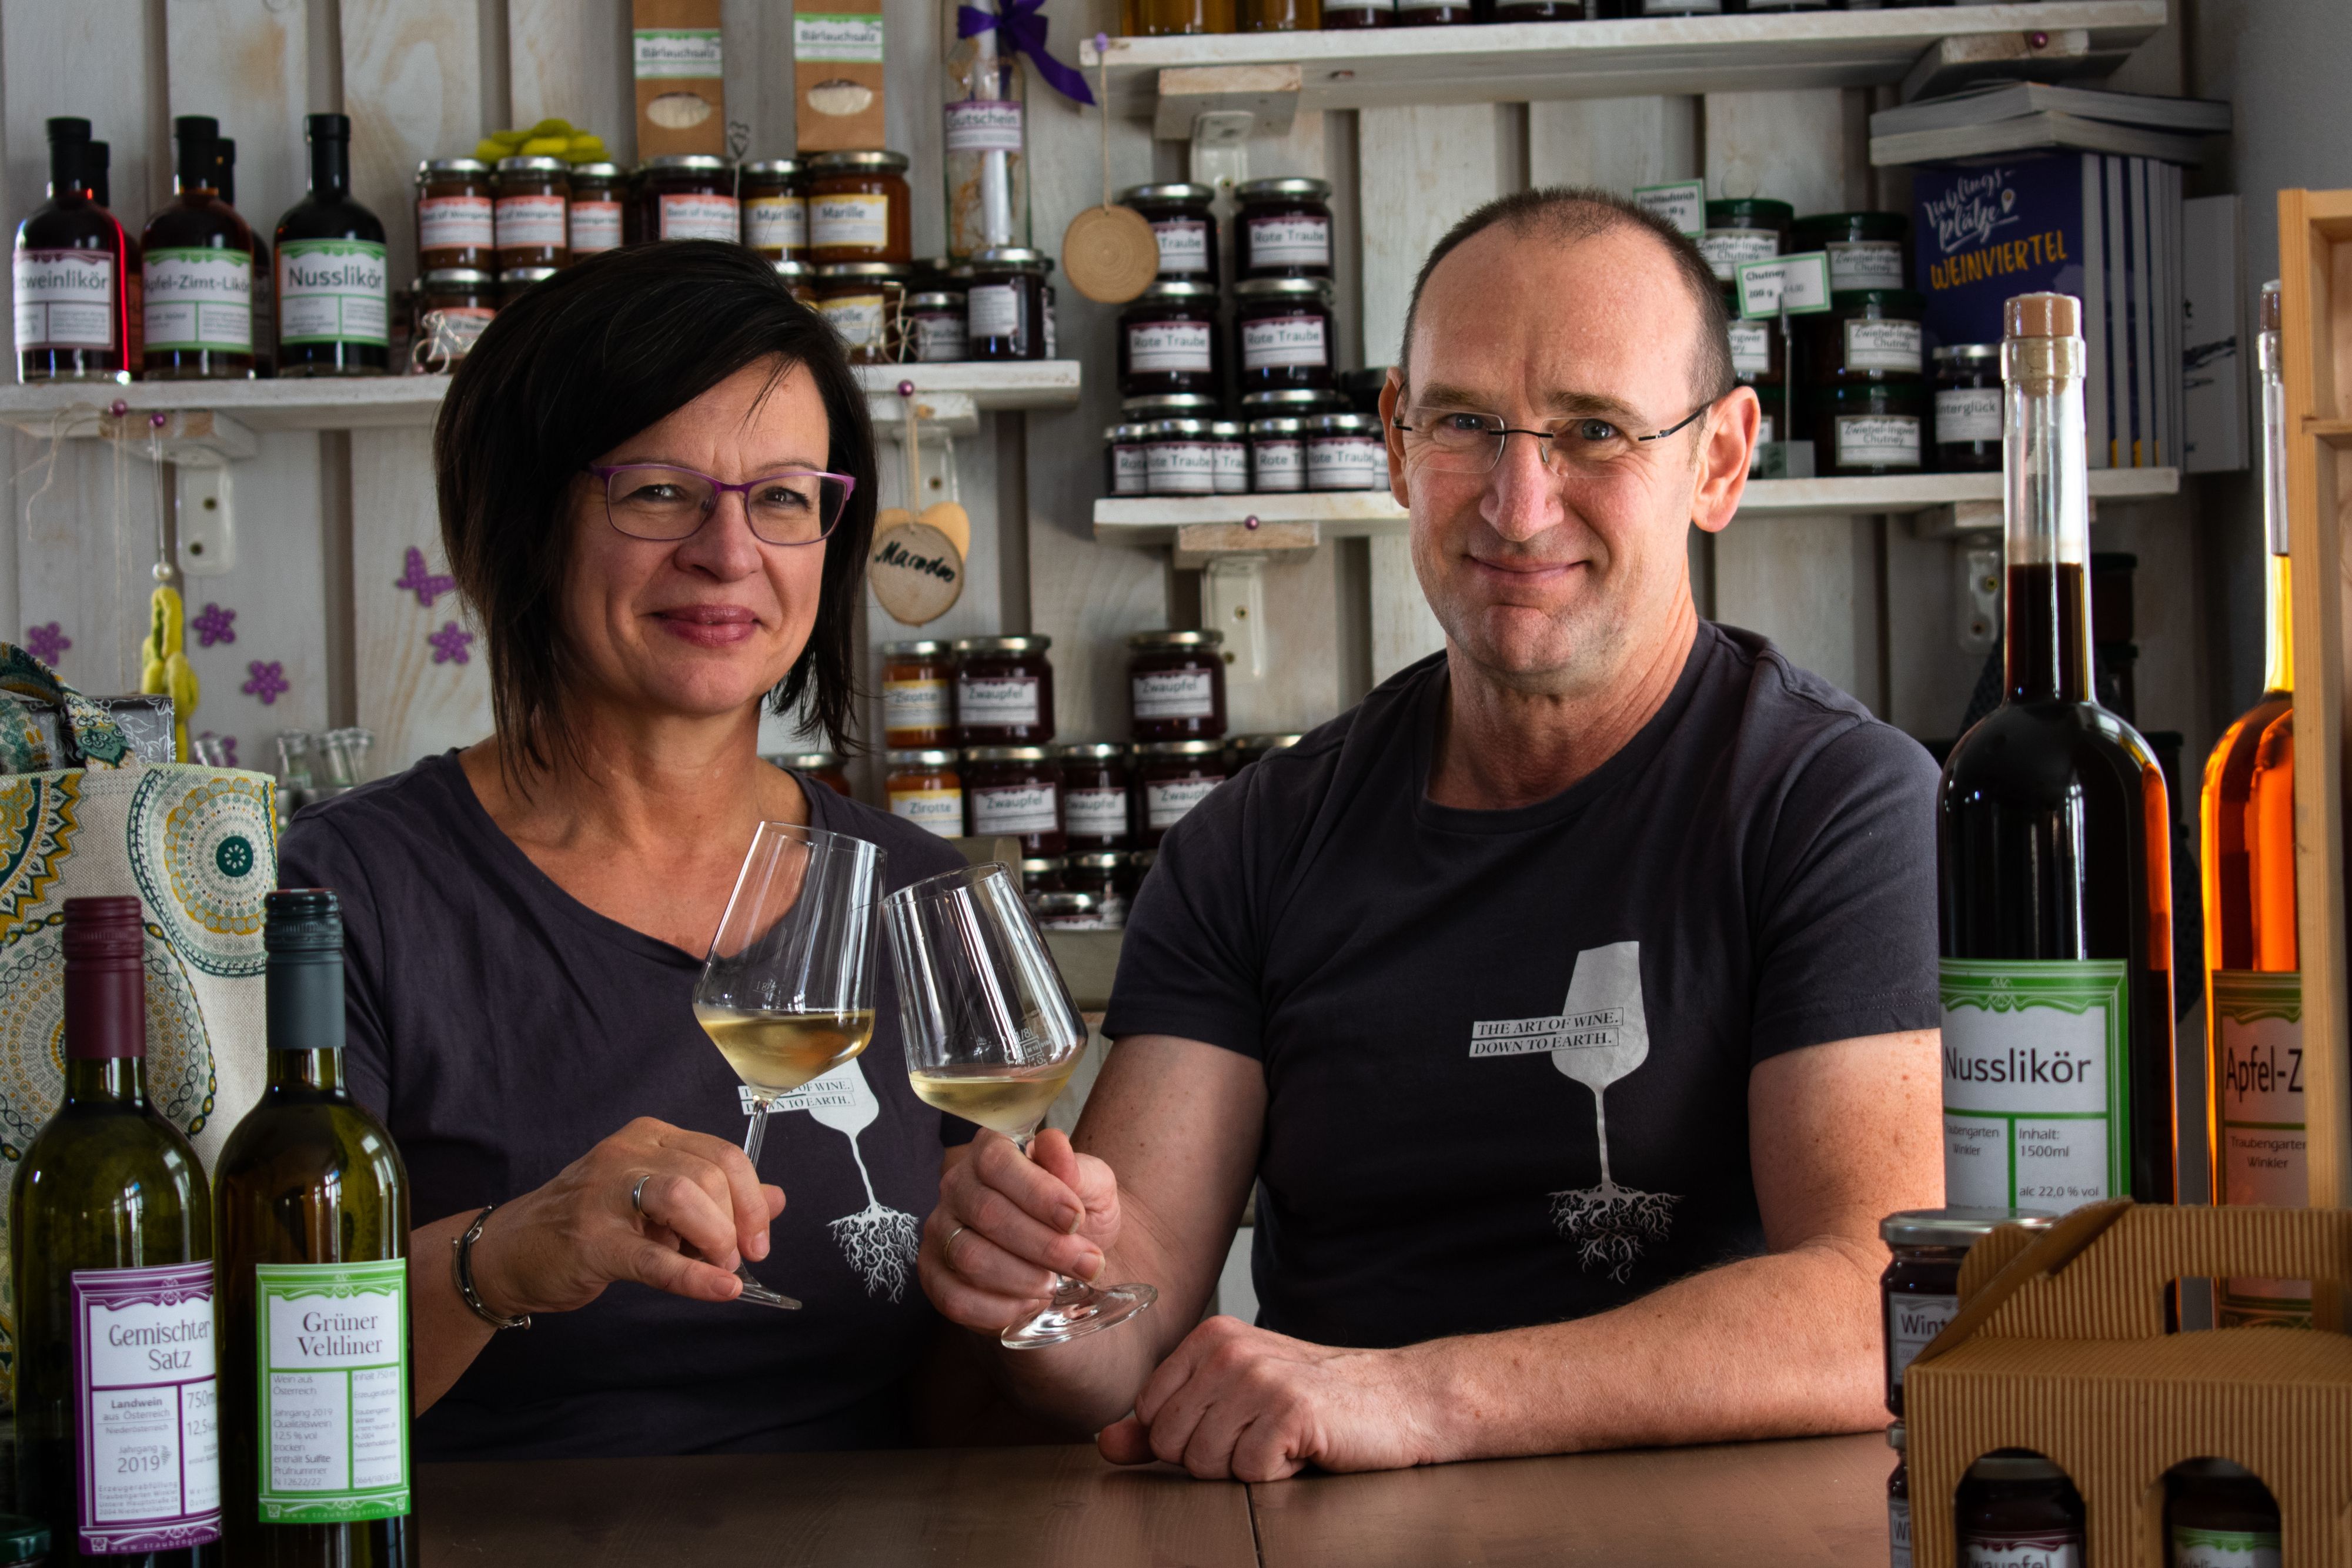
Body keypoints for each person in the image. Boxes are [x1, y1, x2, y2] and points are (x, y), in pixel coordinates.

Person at [917, 188, 1945, 1480]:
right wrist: (1030, 1283)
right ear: (1395, 439)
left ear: (1720, 460)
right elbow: (1120, 1329)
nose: (1519, 505)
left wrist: (1414, 1397)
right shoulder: (1252, 841)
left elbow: (1875, 1301)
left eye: (1593, 431)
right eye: (1466, 422)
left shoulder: (1834, 804)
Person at [280, 242, 970, 1459]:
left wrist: (1032, 1299)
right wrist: (504, 1255)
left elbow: (983, 1401)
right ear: (521, 518)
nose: (728, 549)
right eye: (656, 490)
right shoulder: (344, 895)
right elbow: (266, 1399)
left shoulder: (917, 893)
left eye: (783, 496)